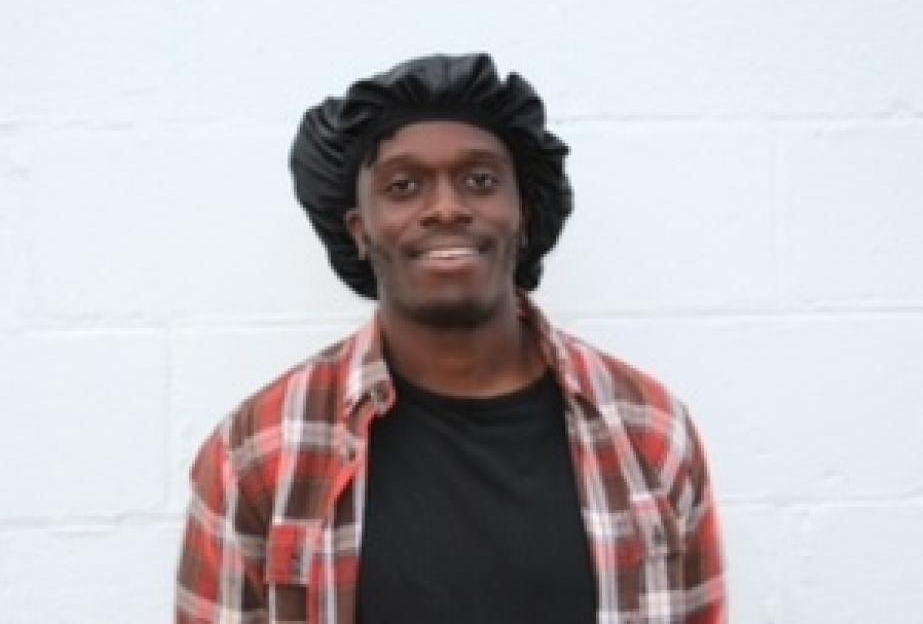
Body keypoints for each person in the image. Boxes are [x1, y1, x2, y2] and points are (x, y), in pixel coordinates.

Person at [175, 53, 726, 624]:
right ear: (360, 230)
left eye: (480, 181)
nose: (446, 208)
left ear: (525, 214)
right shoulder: (260, 449)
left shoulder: (650, 430)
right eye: (404, 186)